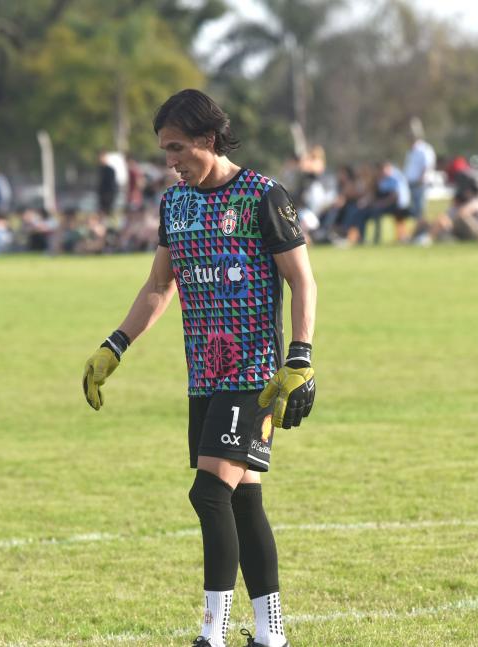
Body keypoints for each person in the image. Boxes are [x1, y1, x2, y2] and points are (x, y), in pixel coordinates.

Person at [82, 89, 316, 647]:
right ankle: (270, 636)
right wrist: (115, 346)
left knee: (208, 494)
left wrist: (300, 358)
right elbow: (160, 286)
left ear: (209, 140)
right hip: (204, 377)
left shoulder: (263, 196)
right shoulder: (176, 205)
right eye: (164, 150)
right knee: (242, 499)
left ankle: (211, 636)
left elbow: (302, 279)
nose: (170, 161)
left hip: (254, 377)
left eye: (178, 148)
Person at [403, 130, 435, 221]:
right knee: (415, 209)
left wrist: (421, 179)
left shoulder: (424, 149)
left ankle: (422, 229)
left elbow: (427, 165)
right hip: (411, 183)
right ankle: (418, 228)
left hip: (420, 183)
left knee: (420, 208)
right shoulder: (411, 151)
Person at [97, 150, 118, 216]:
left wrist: (109, 196)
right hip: (101, 197)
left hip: (108, 197)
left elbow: (112, 184)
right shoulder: (100, 169)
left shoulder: (110, 170)